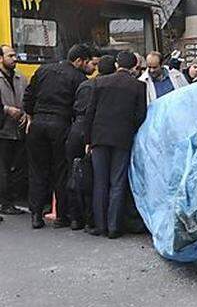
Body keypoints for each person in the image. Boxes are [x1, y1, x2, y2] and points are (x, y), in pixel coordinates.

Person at [23, 44, 91, 229]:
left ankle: (36, 215)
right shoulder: (79, 78)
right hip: (61, 124)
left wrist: (30, 116)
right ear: (78, 60)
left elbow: (28, 95)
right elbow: (79, 107)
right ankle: (62, 215)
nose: (88, 66)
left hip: (37, 123)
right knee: (61, 170)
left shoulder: (43, 69)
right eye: (86, 62)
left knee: (37, 170)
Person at [84, 51, 147, 238]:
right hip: (123, 139)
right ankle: (114, 227)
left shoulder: (99, 82)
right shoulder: (138, 86)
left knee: (100, 182)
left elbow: (90, 113)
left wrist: (88, 139)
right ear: (135, 66)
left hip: (99, 137)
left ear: (117, 64)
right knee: (118, 182)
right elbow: (140, 116)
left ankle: (100, 225)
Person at [65, 55, 117, 231]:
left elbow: (75, 108)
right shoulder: (107, 87)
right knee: (93, 177)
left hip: (76, 130)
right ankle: (90, 219)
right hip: (93, 133)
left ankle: (74, 217)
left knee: (74, 173)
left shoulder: (85, 84)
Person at [0, 45, 28, 216]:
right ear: (1, 58)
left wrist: (27, 114)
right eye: (10, 55)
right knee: (3, 169)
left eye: (15, 55)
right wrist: (6, 109)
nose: (14, 58)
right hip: (3, 130)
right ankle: (5, 202)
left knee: (16, 168)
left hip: (19, 129)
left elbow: (28, 98)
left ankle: (11, 199)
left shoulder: (21, 78)